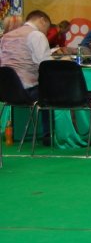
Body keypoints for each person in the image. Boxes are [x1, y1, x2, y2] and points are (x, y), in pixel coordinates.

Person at [0, 10, 54, 144]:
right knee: (52, 91)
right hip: (27, 90)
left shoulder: (5, 37)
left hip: (5, 91)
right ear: (42, 20)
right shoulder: (36, 35)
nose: (46, 33)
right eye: (47, 28)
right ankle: (49, 135)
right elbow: (46, 65)